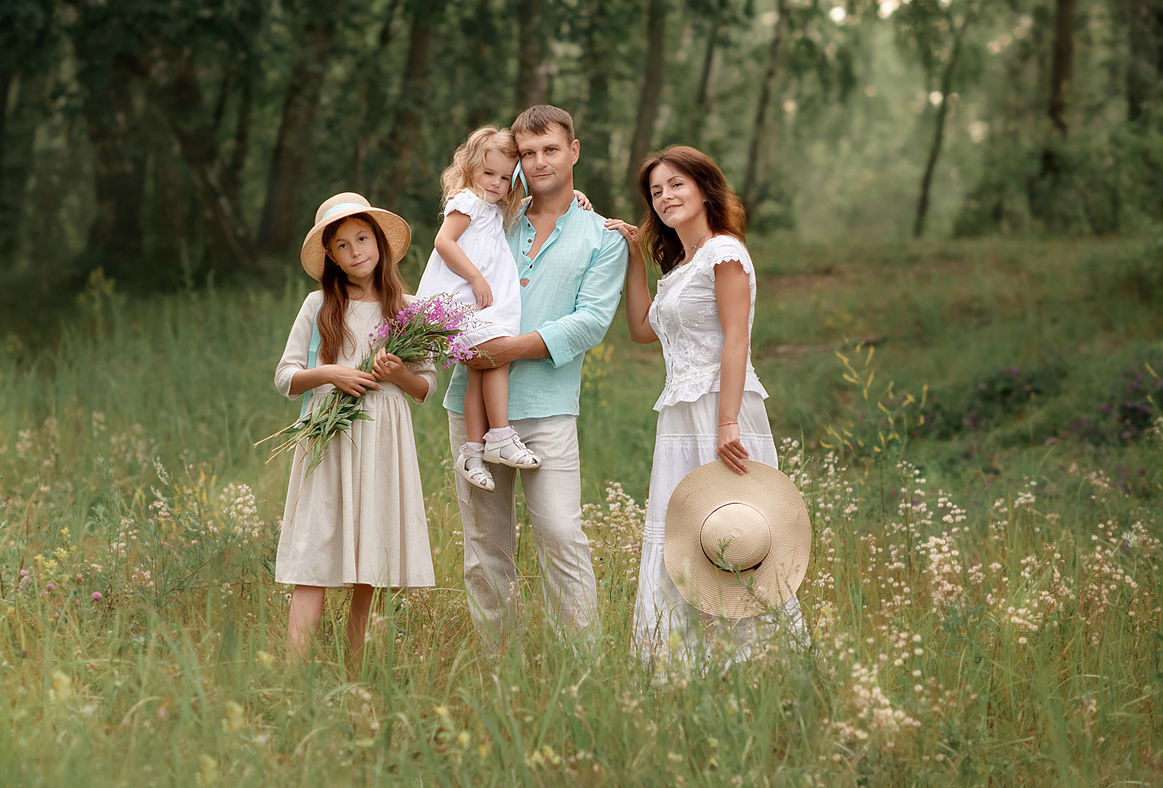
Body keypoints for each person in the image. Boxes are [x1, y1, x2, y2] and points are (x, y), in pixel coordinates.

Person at [605, 146, 807, 664]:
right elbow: (641, 330)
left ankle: (761, 659)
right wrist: (634, 261)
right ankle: (684, 661)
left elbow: (737, 339)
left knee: (736, 529)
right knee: (684, 533)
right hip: (680, 410)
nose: (666, 197)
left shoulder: (724, 252)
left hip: (722, 407)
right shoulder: (682, 268)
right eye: (656, 192)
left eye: (676, 185)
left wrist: (728, 422)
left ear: (703, 188)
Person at [445, 105, 628, 650]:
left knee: (560, 534)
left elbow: (592, 320)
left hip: (546, 406)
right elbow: (448, 267)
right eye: (528, 153)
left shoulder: (603, 236)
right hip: (471, 403)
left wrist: (509, 348)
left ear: (574, 151)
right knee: (484, 546)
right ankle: (497, 667)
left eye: (551, 149)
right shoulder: (494, 215)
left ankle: (582, 667)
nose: (539, 160)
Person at [274, 192, 436, 669]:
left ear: (380, 242)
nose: (355, 251)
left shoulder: (408, 308)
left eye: (362, 238)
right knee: (315, 553)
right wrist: (331, 373)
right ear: (331, 257)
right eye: (342, 245)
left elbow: (424, 386)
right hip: (330, 435)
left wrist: (396, 374)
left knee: (374, 554)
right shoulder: (318, 304)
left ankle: (359, 673)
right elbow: (285, 378)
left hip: (383, 436)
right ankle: (292, 676)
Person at [416, 126, 540, 494]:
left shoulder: (493, 209)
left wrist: (576, 196)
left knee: (480, 367)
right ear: (470, 168)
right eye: (489, 173)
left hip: (480, 302)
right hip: (465, 297)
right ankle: (499, 434)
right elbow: (443, 241)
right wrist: (475, 278)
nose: (496, 183)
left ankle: (472, 451)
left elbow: (531, 202)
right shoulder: (468, 202)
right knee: (496, 357)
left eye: (505, 177)